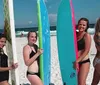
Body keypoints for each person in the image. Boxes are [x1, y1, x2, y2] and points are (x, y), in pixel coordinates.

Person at [74, 18, 91, 85]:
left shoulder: (87, 35)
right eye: (80, 24)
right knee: (77, 82)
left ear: (87, 26)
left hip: (84, 62)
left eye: (84, 25)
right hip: (75, 62)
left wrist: (78, 61)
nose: (81, 26)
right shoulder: (75, 34)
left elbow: (87, 50)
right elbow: (68, 30)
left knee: (82, 82)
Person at [91, 18, 100, 85]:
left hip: (97, 60)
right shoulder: (98, 35)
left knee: (95, 82)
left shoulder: (96, 35)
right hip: (99, 61)